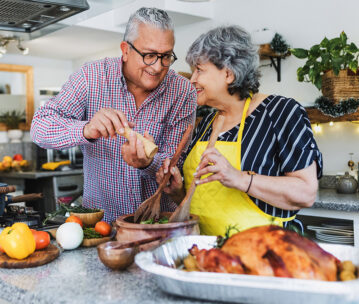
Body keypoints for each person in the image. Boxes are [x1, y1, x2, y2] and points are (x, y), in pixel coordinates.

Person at [31, 7, 197, 223]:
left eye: (166, 56)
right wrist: (86, 129)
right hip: (100, 226)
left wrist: (148, 164)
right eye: (149, 55)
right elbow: (40, 128)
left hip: (159, 223)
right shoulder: (91, 77)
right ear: (125, 50)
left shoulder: (182, 91)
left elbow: (175, 165)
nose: (157, 67)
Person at [157, 26, 322, 236]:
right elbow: (204, 201)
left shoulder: (281, 112)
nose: (193, 79)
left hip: (262, 254)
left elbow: (306, 192)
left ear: (228, 73)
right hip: (206, 253)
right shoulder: (208, 122)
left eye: (199, 69)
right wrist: (178, 191)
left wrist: (240, 178)